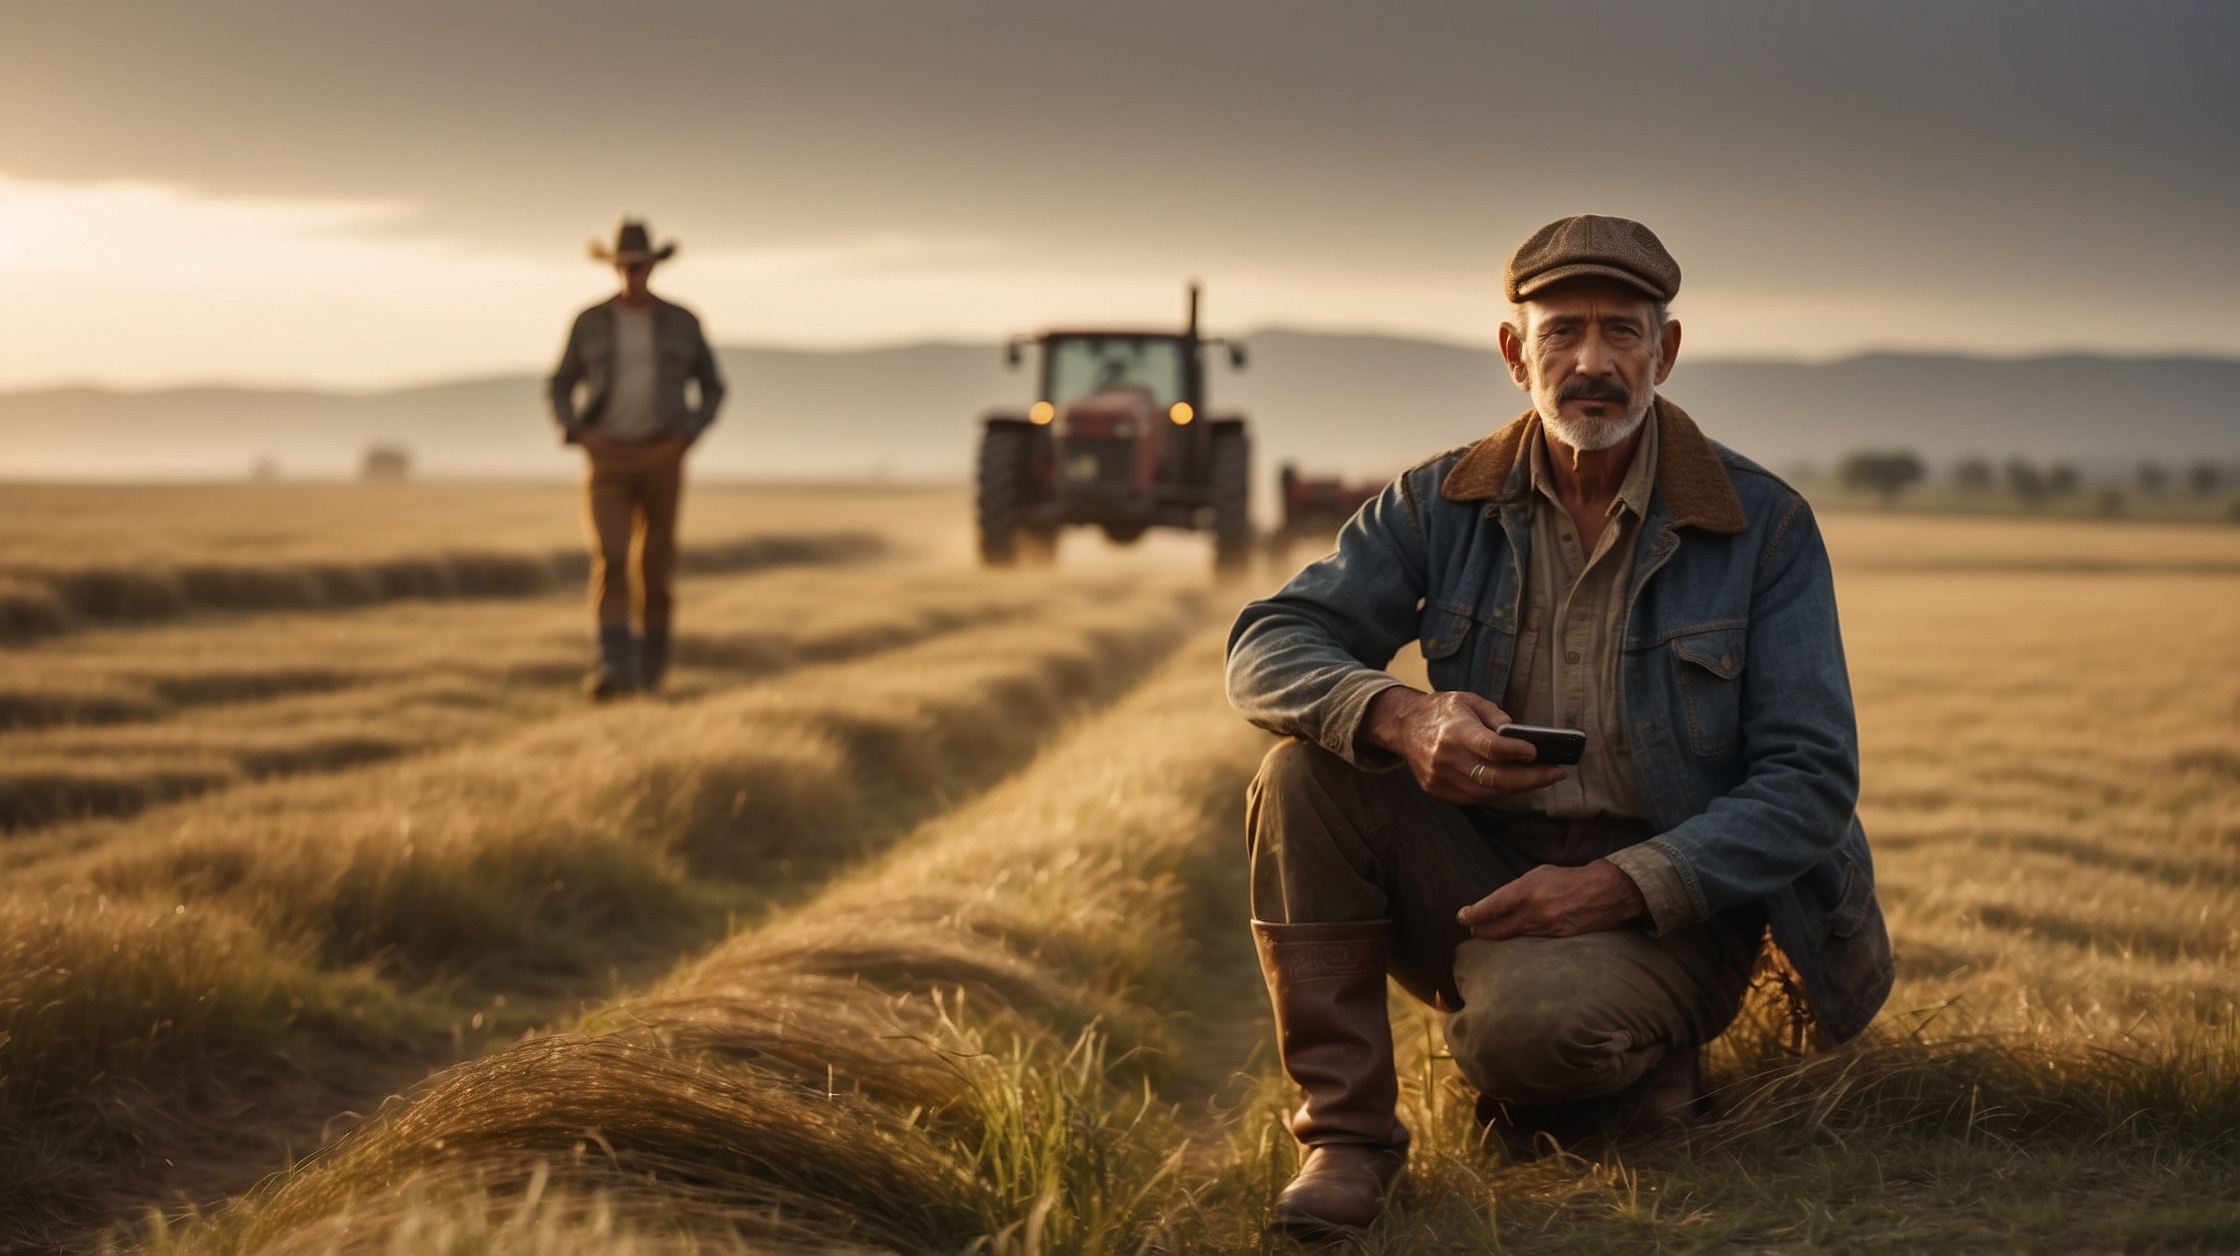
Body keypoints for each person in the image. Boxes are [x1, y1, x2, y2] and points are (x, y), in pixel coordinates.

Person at [1225, 214, 1892, 1235]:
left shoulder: (1764, 526)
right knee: (1302, 773)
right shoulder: (1435, 503)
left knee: (1528, 1046)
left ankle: (1630, 1056)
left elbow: (1807, 780)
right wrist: (1401, 714)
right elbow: (1268, 642)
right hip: (1484, 879)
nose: (1591, 362)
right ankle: (1345, 1139)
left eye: (1621, 331)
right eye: (1561, 331)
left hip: (1671, 906)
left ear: (1662, 352)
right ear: (1512, 352)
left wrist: (1615, 885)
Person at [548, 220, 726, 698]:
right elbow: (560, 383)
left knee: (656, 565)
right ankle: (614, 668)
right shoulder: (589, 322)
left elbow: (712, 386)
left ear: (653, 266)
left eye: (640, 265)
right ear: (614, 268)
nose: (632, 274)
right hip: (607, 459)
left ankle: (651, 673)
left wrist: (687, 434)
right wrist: (578, 430)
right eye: (624, 266)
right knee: (610, 558)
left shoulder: (682, 322)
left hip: (663, 455)